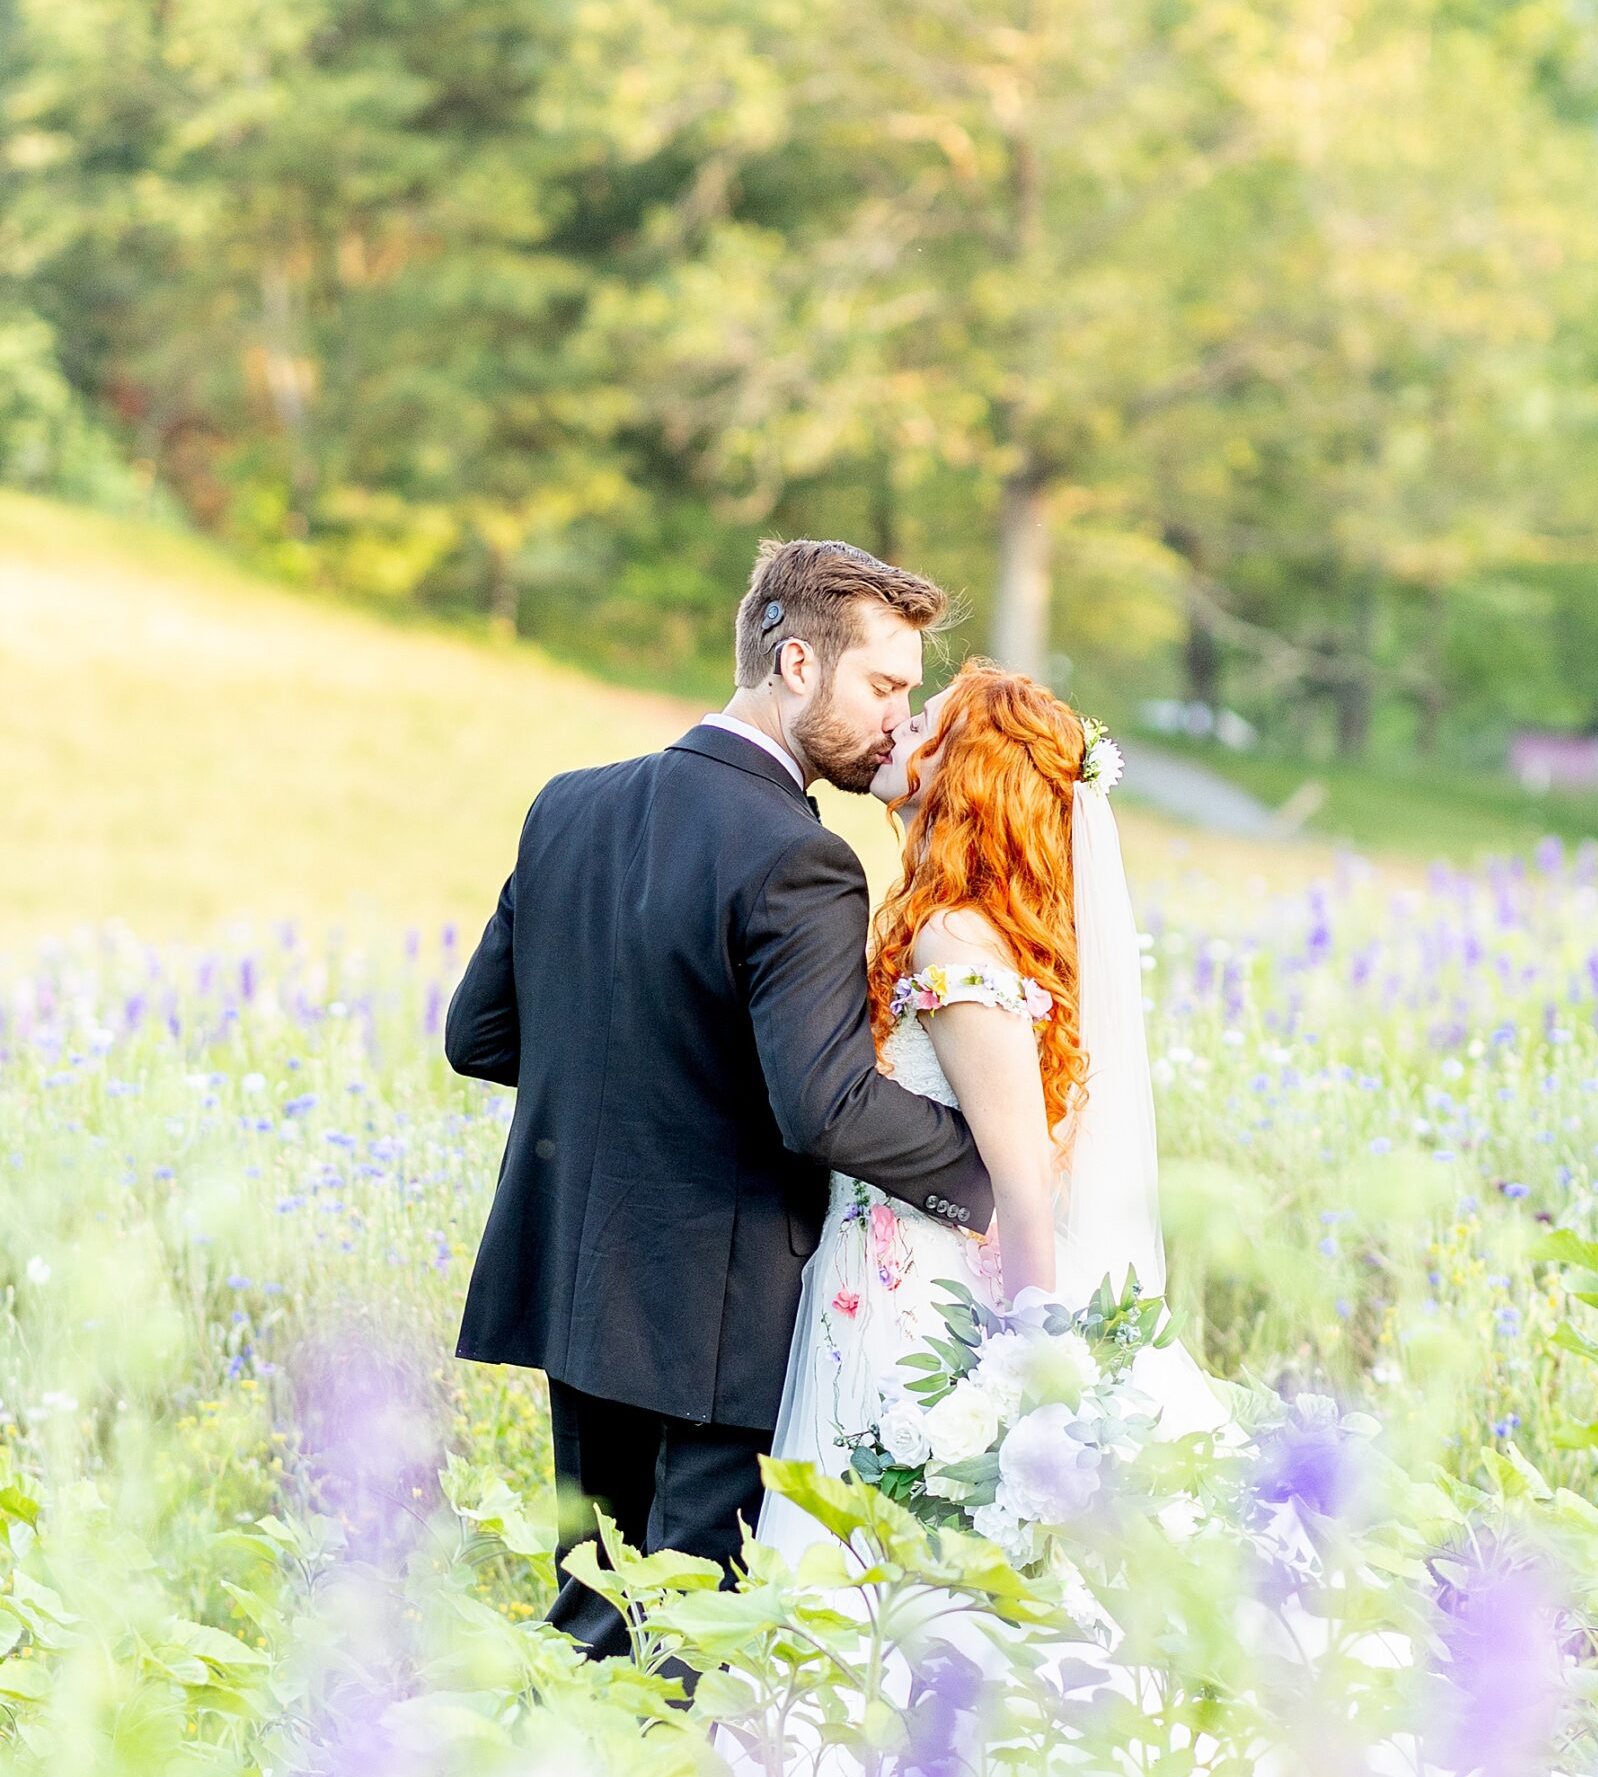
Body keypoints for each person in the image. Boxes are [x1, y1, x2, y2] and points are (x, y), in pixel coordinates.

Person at [443, 538, 993, 1654]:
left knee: (595, 1619)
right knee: (685, 1653)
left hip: (580, 1299)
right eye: (884, 684)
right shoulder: (802, 857)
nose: (899, 717)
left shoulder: (568, 808)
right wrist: (990, 1172)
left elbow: (480, 1034)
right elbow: (825, 1108)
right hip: (717, 1321)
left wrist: (636, 1090)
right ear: (797, 664)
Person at [756, 660, 1228, 1563]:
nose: (896, 729)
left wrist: (1026, 1380)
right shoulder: (945, 919)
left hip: (924, 1307)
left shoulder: (954, 936)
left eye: (923, 720)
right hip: (883, 1279)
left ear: (966, 772)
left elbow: (1023, 1184)